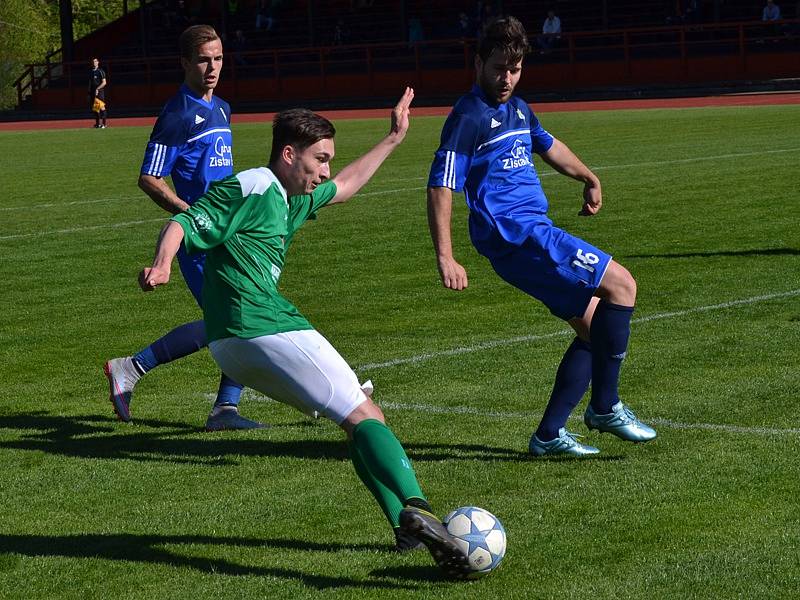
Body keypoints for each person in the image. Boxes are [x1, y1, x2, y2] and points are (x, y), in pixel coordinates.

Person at [137, 88, 472, 577]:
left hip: (233, 346)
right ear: (289, 153)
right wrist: (162, 265)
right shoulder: (251, 185)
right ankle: (418, 506)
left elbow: (346, 186)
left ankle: (404, 528)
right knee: (362, 414)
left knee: (358, 415)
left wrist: (393, 139)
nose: (325, 169)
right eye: (319, 158)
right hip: (261, 326)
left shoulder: (287, 199)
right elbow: (186, 221)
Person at [426, 16, 657, 458]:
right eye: (498, 68)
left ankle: (548, 436)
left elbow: (548, 145)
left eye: (514, 69)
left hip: (533, 233)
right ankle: (605, 408)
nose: (506, 78)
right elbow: (441, 185)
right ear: (478, 63)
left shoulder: (518, 108)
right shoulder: (468, 116)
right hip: (518, 236)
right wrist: (446, 255)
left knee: (595, 331)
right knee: (622, 285)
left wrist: (588, 176)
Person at [104, 25, 260, 432]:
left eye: (219, 58)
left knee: (243, 317)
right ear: (186, 63)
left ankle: (223, 408)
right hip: (199, 236)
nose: (213, 67)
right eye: (204, 59)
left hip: (229, 231)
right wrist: (188, 211)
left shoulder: (222, 107)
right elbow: (150, 177)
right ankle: (134, 368)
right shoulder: (177, 114)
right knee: (236, 318)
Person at [88, 57, 107, 129]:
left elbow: (104, 82)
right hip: (93, 93)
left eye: (95, 61)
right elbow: (90, 83)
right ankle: (97, 124)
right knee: (96, 109)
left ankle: (104, 124)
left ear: (98, 62)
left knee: (102, 108)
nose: (94, 63)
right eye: (93, 62)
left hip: (99, 92)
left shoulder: (100, 71)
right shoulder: (91, 72)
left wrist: (97, 89)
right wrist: (89, 93)